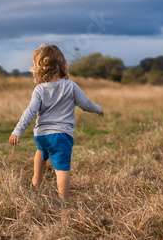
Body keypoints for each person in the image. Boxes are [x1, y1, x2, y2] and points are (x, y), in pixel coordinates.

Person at [9, 43, 104, 199]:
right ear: (62, 65)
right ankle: (63, 200)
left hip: (41, 135)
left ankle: (36, 181)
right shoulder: (71, 86)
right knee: (61, 169)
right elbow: (86, 104)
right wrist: (98, 108)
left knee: (41, 152)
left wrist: (17, 130)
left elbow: (30, 112)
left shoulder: (39, 89)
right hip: (60, 135)